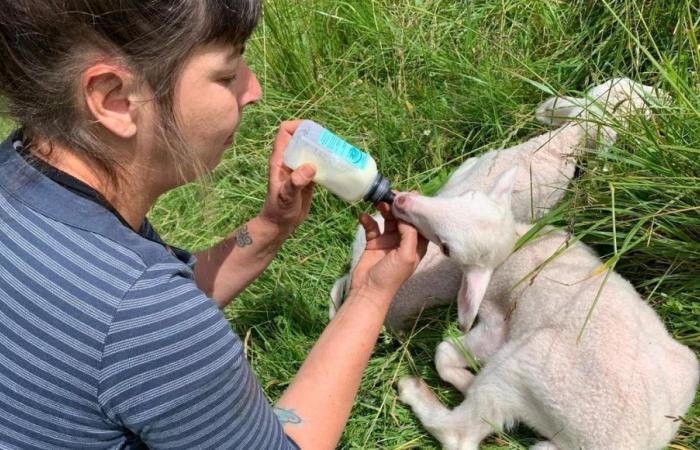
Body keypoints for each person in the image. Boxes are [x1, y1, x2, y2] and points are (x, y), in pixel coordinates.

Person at [0, 1, 427, 449]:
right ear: (115, 99)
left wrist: (268, 227)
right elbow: (147, 324)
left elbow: (135, 334)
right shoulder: (143, 312)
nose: (254, 88)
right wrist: (369, 294)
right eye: (227, 75)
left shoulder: (28, 179)